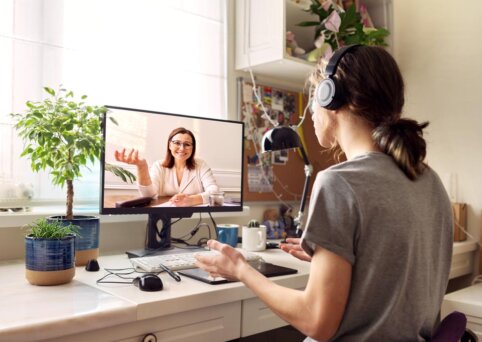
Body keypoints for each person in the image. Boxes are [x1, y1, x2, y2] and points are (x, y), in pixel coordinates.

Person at [195, 45, 453, 341]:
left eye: (312, 101)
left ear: (331, 98)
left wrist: (240, 269)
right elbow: (396, 279)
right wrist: (337, 261)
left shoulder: (339, 183)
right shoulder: (428, 179)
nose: (312, 114)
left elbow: (316, 320)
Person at [115, 127, 219, 207]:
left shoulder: (201, 165)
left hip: (195, 218)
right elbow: (149, 196)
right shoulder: (158, 166)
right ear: (169, 145)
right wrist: (142, 167)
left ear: (192, 148)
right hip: (163, 216)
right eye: (177, 143)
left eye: (187, 144)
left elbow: (215, 191)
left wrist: (191, 200)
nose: (182, 148)